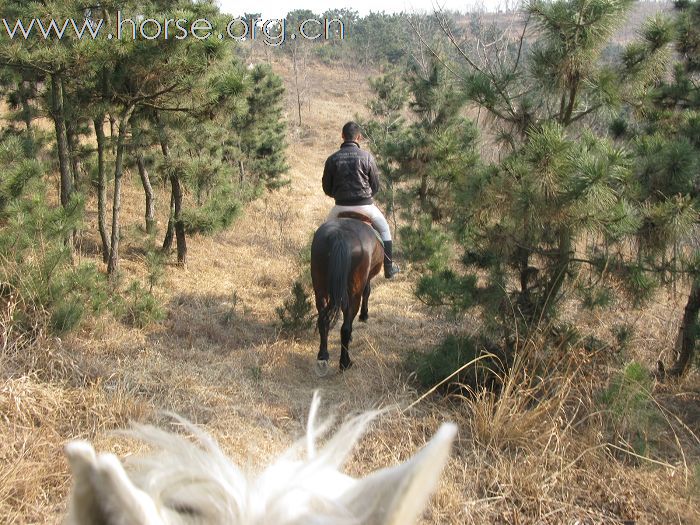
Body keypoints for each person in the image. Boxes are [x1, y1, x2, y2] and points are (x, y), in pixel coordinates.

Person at [322, 121, 400, 279]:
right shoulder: (367, 157)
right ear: (359, 137)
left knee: (323, 235)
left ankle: (323, 268)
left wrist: (339, 196)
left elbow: (327, 189)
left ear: (342, 136)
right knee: (385, 230)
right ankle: (389, 268)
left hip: (340, 208)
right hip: (365, 207)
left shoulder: (332, 159)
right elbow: (375, 186)